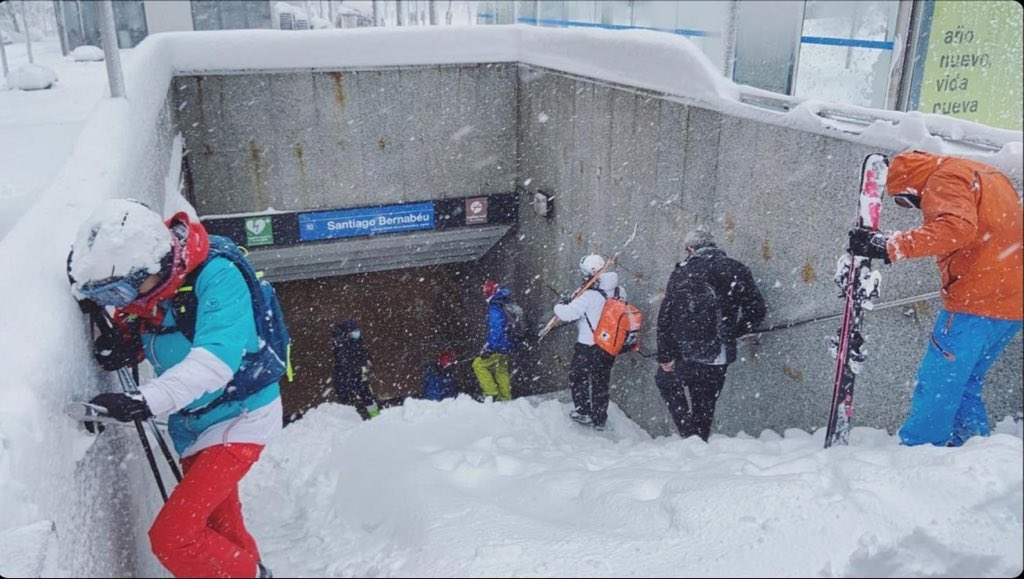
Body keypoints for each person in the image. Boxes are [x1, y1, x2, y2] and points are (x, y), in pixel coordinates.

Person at [68, 199, 277, 579]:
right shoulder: (148, 285)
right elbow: (155, 328)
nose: (121, 303)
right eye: (107, 296)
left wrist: (145, 400)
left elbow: (216, 359)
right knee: (220, 533)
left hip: (241, 416)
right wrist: (125, 345)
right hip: (193, 422)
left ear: (154, 266)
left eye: (118, 292)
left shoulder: (218, 275)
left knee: (174, 537)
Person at [848, 150, 1022, 447]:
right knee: (966, 383)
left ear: (912, 184)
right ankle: (973, 449)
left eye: (905, 199)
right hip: (1012, 302)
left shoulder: (942, 179)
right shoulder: (982, 172)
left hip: (976, 301)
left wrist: (891, 245)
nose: (916, 206)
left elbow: (956, 228)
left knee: (940, 382)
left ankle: (921, 451)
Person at [655, 229, 766, 441]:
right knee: (704, 403)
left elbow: (666, 317)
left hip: (687, 350)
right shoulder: (737, 269)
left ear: (690, 249)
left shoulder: (683, 272)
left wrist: (665, 355)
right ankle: (700, 442)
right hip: (720, 353)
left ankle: (689, 436)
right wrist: (734, 331)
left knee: (665, 380)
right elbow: (757, 310)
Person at [553, 254, 624, 431]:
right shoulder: (619, 291)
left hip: (588, 345)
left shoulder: (589, 296)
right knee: (601, 380)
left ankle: (583, 411)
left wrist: (560, 304)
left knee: (578, 377)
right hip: (609, 344)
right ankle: (600, 418)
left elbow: (567, 313)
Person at [471, 279, 514, 401]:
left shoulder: (495, 306)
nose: (484, 294)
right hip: (509, 344)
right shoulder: (505, 301)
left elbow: (496, 330)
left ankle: (491, 394)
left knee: (478, 364)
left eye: (485, 292)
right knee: (501, 369)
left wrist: (489, 348)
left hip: (500, 345)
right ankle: (506, 397)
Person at [330, 319, 380, 420]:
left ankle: (376, 418)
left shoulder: (358, 341)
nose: (357, 332)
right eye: (354, 331)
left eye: (357, 330)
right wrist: (360, 367)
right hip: (345, 378)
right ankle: (351, 424)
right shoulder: (341, 345)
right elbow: (345, 362)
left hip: (359, 376)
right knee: (347, 403)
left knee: (368, 397)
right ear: (348, 333)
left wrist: (368, 360)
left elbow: (363, 353)